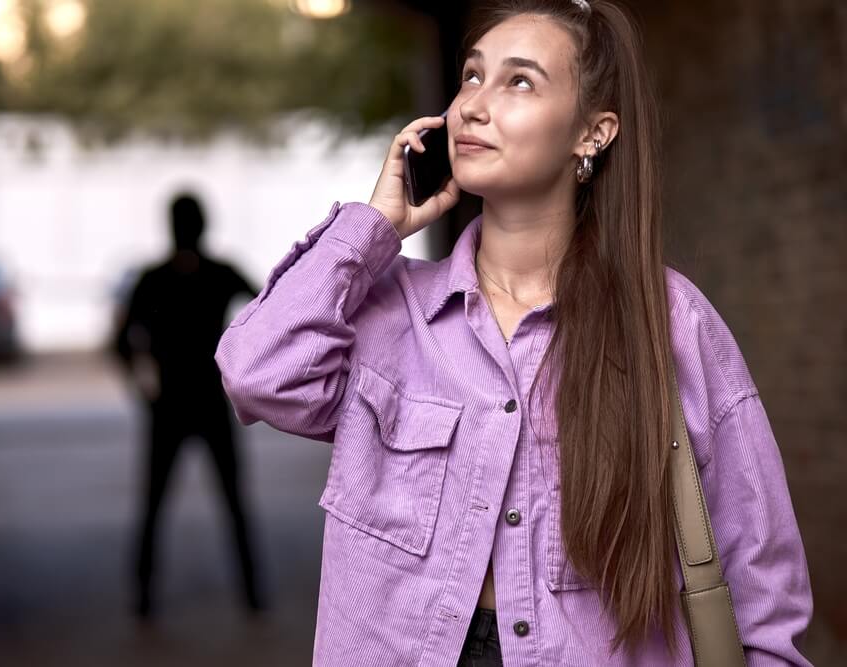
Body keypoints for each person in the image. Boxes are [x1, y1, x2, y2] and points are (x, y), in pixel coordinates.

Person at [215, 0, 813, 665]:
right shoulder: (391, 317)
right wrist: (375, 226)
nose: (473, 104)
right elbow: (257, 370)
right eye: (472, 76)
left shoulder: (670, 324)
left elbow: (763, 589)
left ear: (593, 132)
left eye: (518, 81)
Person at [114, 193, 264, 619]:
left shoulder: (155, 278)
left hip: (177, 406)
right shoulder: (216, 273)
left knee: (158, 504)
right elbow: (268, 313)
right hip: (202, 405)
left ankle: (145, 599)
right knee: (228, 502)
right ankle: (252, 595)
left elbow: (122, 342)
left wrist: (143, 388)